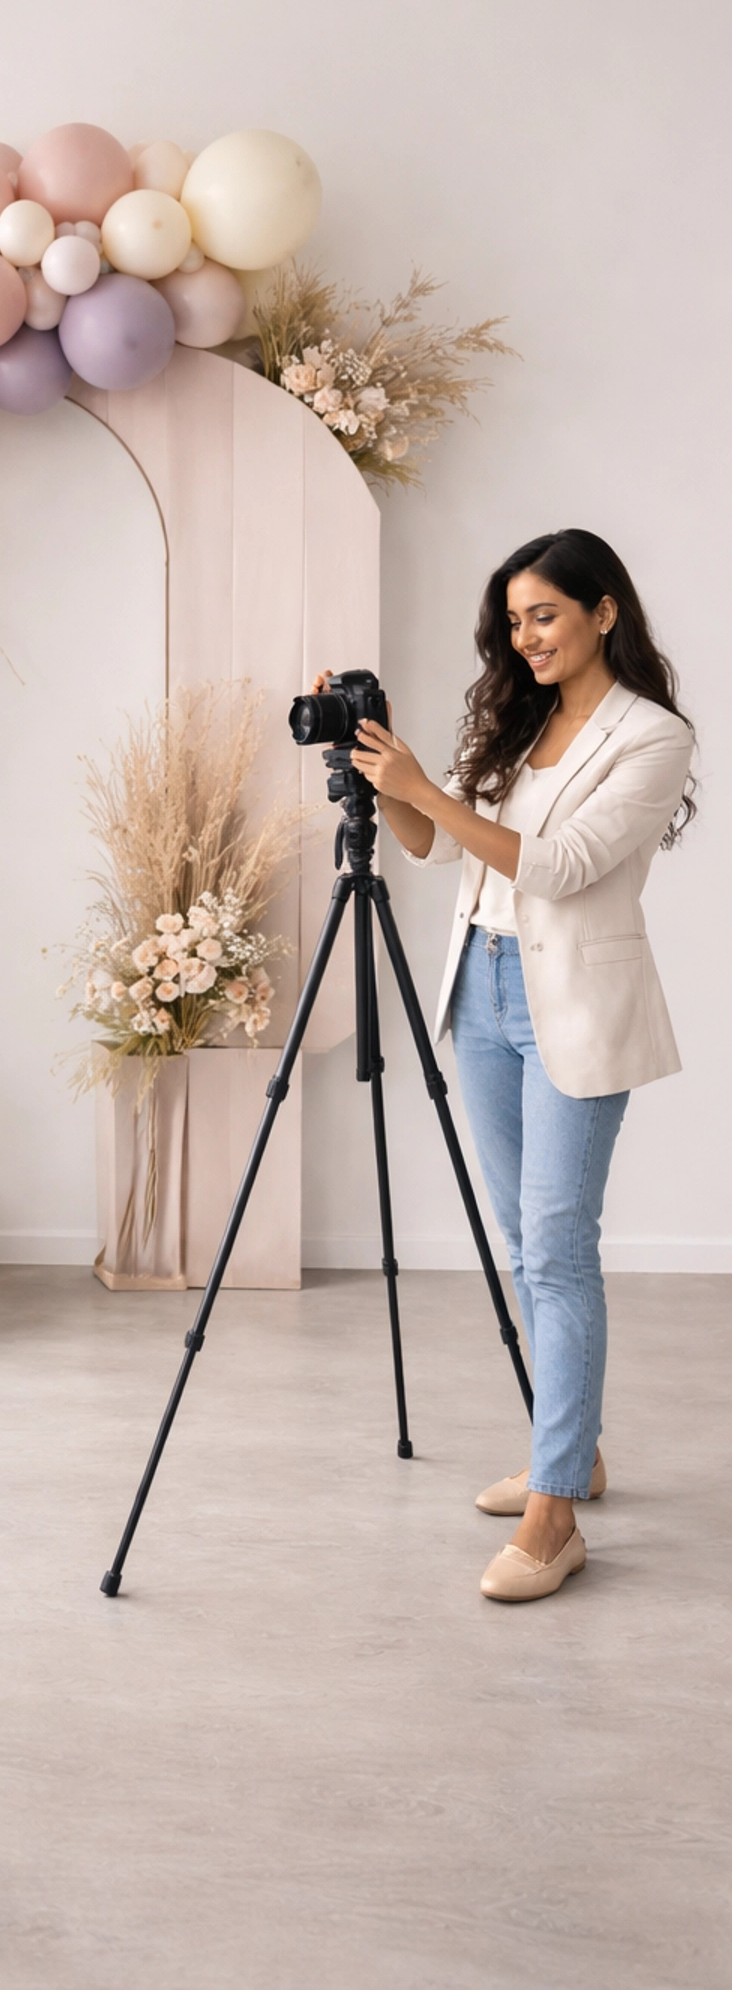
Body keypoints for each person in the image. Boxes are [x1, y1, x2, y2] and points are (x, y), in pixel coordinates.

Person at [334, 529, 695, 1603]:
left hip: (571, 1009)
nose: (525, 636)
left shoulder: (651, 736)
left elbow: (567, 868)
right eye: (514, 619)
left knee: (556, 1246)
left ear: (604, 612)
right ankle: (569, 1451)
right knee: (521, 1240)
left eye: (544, 614)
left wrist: (430, 791)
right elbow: (425, 844)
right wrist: (381, 759)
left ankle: (556, 1519)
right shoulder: (517, 718)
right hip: (481, 994)